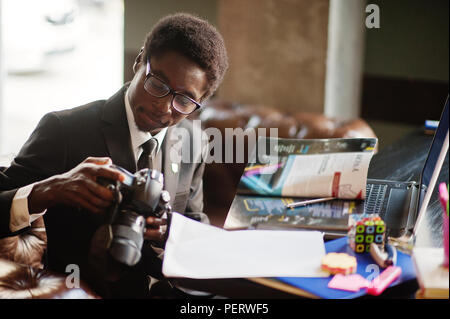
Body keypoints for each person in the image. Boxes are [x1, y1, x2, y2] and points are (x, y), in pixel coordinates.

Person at [0, 13, 228, 298]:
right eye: (157, 84)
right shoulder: (64, 130)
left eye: (183, 100)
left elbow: (195, 223)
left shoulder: (193, 140)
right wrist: (47, 190)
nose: (163, 106)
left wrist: (170, 231)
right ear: (139, 61)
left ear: (199, 104)